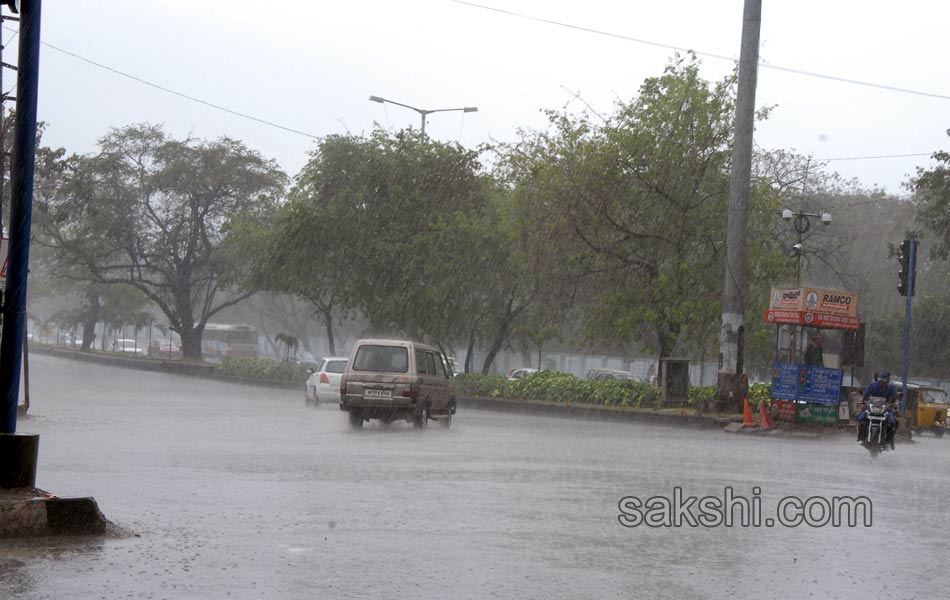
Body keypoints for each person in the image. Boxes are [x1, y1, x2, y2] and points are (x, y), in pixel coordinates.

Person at [856, 371, 898, 449]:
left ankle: (889, 441)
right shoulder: (872, 386)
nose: (881, 381)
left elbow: (893, 398)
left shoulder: (891, 388)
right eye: (880, 379)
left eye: (883, 379)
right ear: (877, 379)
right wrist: (862, 401)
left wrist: (893, 404)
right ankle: (861, 436)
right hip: (872, 409)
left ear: (886, 380)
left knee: (892, 422)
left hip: (886, 410)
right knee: (860, 418)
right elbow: (865, 396)